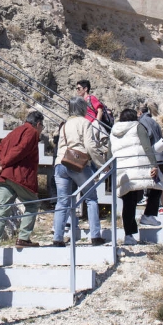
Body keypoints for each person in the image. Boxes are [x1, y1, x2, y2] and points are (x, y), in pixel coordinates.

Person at [0, 111, 45, 266]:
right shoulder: (31, 132)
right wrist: (3, 163)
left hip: (4, 176)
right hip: (20, 176)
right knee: (32, 204)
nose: (42, 129)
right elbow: (21, 149)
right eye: (42, 126)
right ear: (38, 124)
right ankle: (23, 238)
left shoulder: (14, 132)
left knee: (2, 209)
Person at [53, 98, 109, 246]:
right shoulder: (85, 123)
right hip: (78, 163)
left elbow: (60, 146)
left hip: (61, 163)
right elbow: (90, 146)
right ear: (82, 108)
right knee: (91, 198)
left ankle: (58, 238)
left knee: (62, 202)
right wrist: (102, 164)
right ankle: (95, 236)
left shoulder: (64, 125)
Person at [109, 109, 162, 245]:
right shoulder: (137, 126)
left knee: (128, 203)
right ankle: (148, 214)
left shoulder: (114, 130)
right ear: (134, 117)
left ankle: (129, 236)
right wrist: (154, 164)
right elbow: (146, 146)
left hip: (122, 170)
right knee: (158, 185)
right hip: (137, 167)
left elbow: (110, 152)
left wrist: (111, 169)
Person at [138, 105, 163, 227]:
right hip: (159, 156)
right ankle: (152, 212)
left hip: (149, 157)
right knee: (157, 186)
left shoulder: (141, 122)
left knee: (148, 186)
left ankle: (148, 213)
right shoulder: (155, 122)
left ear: (139, 112)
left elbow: (145, 140)